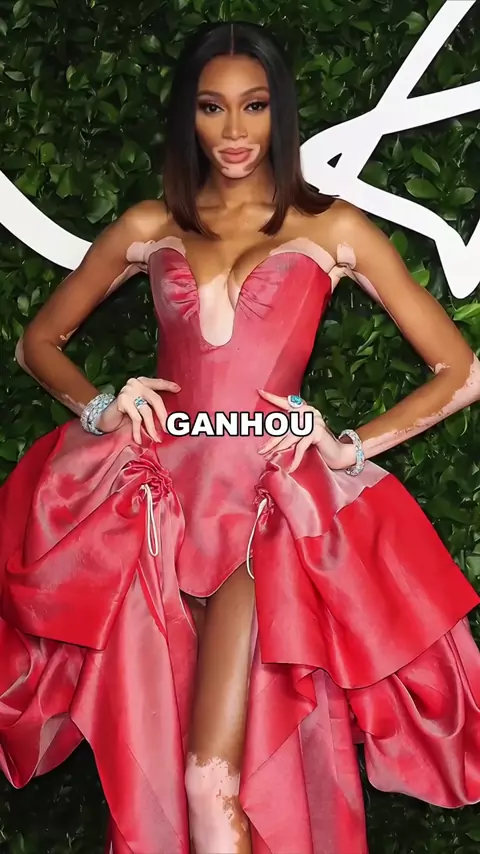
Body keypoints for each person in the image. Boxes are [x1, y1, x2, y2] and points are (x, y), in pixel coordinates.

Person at [1, 19, 480, 854]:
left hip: (264, 511)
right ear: (187, 115)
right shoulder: (152, 223)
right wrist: (101, 405)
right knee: (159, 763)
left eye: (253, 106)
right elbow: (36, 342)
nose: (233, 130)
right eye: (212, 107)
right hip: (156, 509)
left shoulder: (331, 228)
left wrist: (348, 446)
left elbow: (461, 371)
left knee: (208, 778)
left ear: (278, 112)